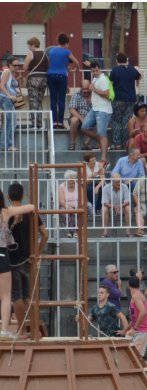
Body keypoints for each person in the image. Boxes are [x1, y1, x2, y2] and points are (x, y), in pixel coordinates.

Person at [7, 183, 47, 337]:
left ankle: (22, 329)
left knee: (16, 296)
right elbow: (45, 234)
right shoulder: (31, 212)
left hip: (12, 259)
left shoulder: (7, 213)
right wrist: (37, 252)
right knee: (29, 296)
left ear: (9, 197)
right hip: (29, 259)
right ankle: (34, 328)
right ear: (22, 196)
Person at [78, 62, 113, 165]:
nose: (94, 72)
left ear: (100, 69)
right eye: (93, 71)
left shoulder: (102, 79)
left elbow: (107, 94)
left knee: (102, 134)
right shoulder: (95, 78)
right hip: (95, 108)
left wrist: (94, 90)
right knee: (84, 127)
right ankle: (102, 142)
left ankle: (103, 160)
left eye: (96, 70)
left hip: (103, 110)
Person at [46, 33, 81, 129]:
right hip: (62, 75)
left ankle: (54, 122)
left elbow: (48, 62)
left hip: (51, 75)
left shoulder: (52, 51)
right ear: (66, 43)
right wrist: (76, 69)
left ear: (58, 41)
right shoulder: (66, 52)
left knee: (53, 99)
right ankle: (60, 122)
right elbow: (77, 62)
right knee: (61, 99)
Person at [109, 53, 141, 150]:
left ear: (117, 61)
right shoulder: (132, 69)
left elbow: (111, 81)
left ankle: (117, 143)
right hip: (131, 99)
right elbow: (139, 76)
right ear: (126, 60)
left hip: (118, 98)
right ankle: (125, 143)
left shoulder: (115, 70)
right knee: (127, 121)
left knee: (116, 121)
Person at [21, 37, 49, 129]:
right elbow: (48, 66)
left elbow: (25, 67)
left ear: (33, 44)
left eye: (29, 45)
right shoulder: (45, 54)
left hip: (33, 79)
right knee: (39, 102)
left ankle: (34, 124)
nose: (28, 47)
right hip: (44, 79)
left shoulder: (31, 53)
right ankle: (40, 124)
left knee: (33, 102)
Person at [123, 275, 147, 359]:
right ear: (139, 285)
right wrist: (125, 330)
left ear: (128, 285)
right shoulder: (137, 296)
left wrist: (135, 328)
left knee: (134, 356)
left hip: (142, 330)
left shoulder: (136, 296)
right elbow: (134, 318)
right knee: (128, 353)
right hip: (137, 330)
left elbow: (143, 312)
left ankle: (139, 371)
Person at [0, 58, 21, 152]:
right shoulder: (7, 71)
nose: (17, 67)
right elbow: (1, 85)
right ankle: (6, 145)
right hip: (5, 98)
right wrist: (9, 96)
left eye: (18, 65)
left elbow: (9, 86)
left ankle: (6, 145)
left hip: (8, 99)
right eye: (15, 65)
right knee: (10, 122)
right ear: (9, 64)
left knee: (11, 122)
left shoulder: (12, 73)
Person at [67, 80, 93, 151]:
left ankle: (86, 144)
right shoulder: (76, 95)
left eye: (87, 89)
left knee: (98, 119)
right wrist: (81, 118)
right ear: (81, 88)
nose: (86, 91)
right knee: (74, 119)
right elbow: (72, 109)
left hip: (89, 120)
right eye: (84, 89)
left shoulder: (94, 95)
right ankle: (72, 143)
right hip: (78, 119)